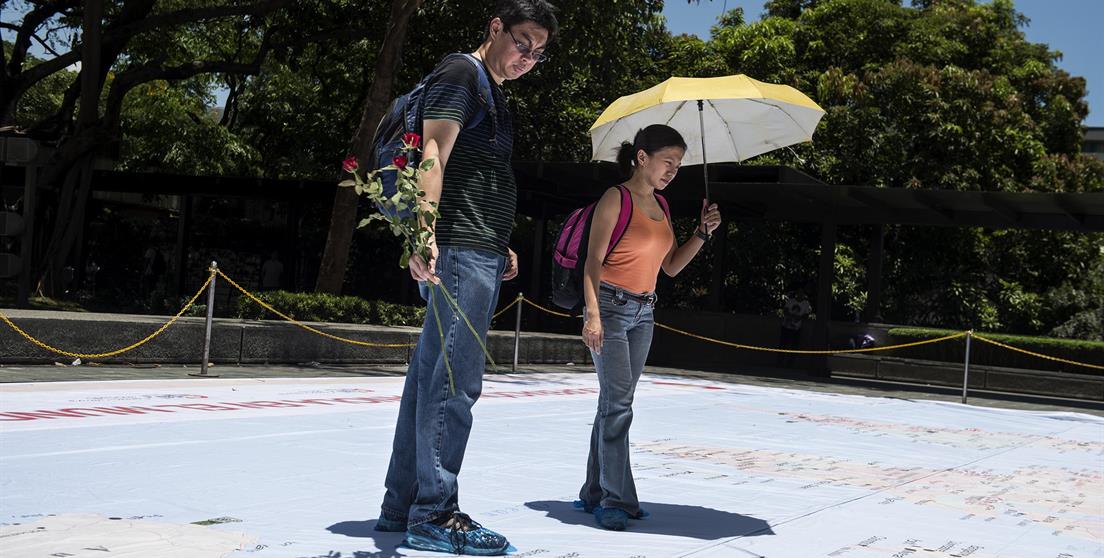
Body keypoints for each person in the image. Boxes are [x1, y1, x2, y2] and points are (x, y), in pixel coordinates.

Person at [375, 1, 558, 555]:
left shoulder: (491, 90)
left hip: (474, 245)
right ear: (495, 28)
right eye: (523, 42)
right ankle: (435, 512)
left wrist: (495, 236)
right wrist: (424, 234)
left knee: (430, 378)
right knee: (456, 383)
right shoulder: (463, 73)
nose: (528, 57)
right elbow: (433, 154)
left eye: (539, 52)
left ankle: (402, 505)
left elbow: (473, 172)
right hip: (457, 248)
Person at [576, 124, 722, 531]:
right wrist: (592, 314)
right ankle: (616, 499)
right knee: (619, 405)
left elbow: (671, 266)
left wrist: (701, 233)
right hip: (610, 307)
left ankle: (594, 491)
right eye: (667, 161)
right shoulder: (615, 198)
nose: (673, 170)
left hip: (644, 313)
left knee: (613, 402)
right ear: (642, 158)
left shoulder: (662, 205)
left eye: (678, 164)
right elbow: (592, 260)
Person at [777, 286, 811, 367]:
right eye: (798, 292)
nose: (800, 294)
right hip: (786, 326)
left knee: (794, 346)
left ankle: (790, 364)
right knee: (783, 345)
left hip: (796, 328)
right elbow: (785, 311)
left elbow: (806, 315)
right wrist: (791, 317)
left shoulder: (806, 303)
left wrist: (799, 318)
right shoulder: (791, 301)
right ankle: (780, 362)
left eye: (802, 293)